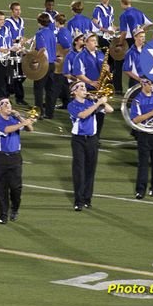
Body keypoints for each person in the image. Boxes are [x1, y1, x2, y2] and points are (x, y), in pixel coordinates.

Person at [67, 81, 113, 211]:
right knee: (79, 170)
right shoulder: (72, 105)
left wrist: (101, 100)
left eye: (84, 87)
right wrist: (97, 103)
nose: (83, 89)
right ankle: (78, 201)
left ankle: (87, 199)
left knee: (90, 169)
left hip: (92, 139)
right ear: (74, 92)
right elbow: (82, 115)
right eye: (80, 87)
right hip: (78, 140)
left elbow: (110, 110)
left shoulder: (91, 102)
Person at [0, 98, 34, 224]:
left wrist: (20, 117)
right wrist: (23, 123)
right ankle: (3, 214)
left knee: (16, 188)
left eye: (9, 103)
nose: (8, 105)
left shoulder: (15, 119)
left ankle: (14, 209)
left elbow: (30, 129)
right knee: (1, 188)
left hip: (15, 157)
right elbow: (6, 130)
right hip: (1, 158)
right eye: (4, 104)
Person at [71, 33, 108, 138]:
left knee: (101, 112)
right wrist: (91, 82)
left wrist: (107, 69)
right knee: (88, 113)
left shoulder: (100, 54)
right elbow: (78, 73)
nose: (95, 43)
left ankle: (97, 137)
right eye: (92, 40)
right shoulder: (80, 56)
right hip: (87, 89)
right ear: (86, 43)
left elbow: (103, 67)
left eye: (95, 40)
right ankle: (85, 135)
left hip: (99, 88)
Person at [4, 2, 29, 106]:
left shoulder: (21, 21)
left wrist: (24, 41)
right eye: (16, 10)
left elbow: (21, 35)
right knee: (13, 74)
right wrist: (17, 41)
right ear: (12, 11)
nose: (18, 12)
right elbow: (7, 38)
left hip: (20, 50)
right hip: (12, 51)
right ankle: (15, 96)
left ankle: (12, 90)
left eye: (19, 9)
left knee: (22, 74)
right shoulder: (7, 22)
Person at [33, 13, 57, 119]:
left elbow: (42, 49)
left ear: (39, 22)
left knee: (38, 89)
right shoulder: (52, 33)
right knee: (50, 89)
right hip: (52, 64)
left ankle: (39, 112)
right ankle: (50, 112)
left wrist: (35, 58)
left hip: (44, 65)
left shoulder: (39, 34)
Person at [54, 14, 72, 110]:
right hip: (65, 60)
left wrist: (61, 55)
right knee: (64, 82)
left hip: (63, 61)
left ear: (57, 22)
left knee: (58, 82)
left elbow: (67, 46)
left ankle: (53, 102)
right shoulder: (66, 30)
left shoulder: (61, 32)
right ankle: (66, 102)